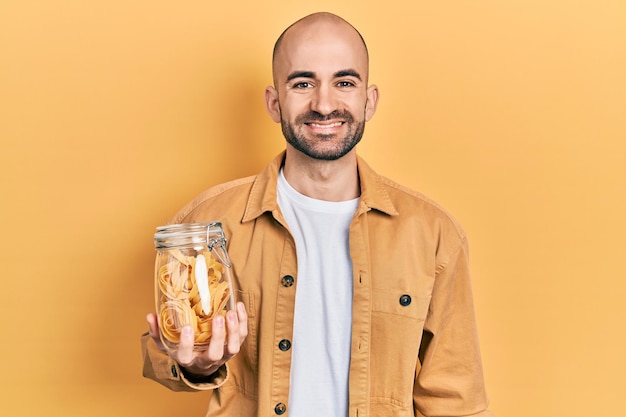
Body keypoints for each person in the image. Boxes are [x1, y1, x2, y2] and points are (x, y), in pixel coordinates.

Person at [142, 11, 493, 417]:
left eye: (344, 82)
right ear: (274, 103)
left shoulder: (433, 234)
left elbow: (455, 399)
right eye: (303, 83)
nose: (324, 104)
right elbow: (160, 352)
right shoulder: (207, 223)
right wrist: (192, 364)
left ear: (370, 100)